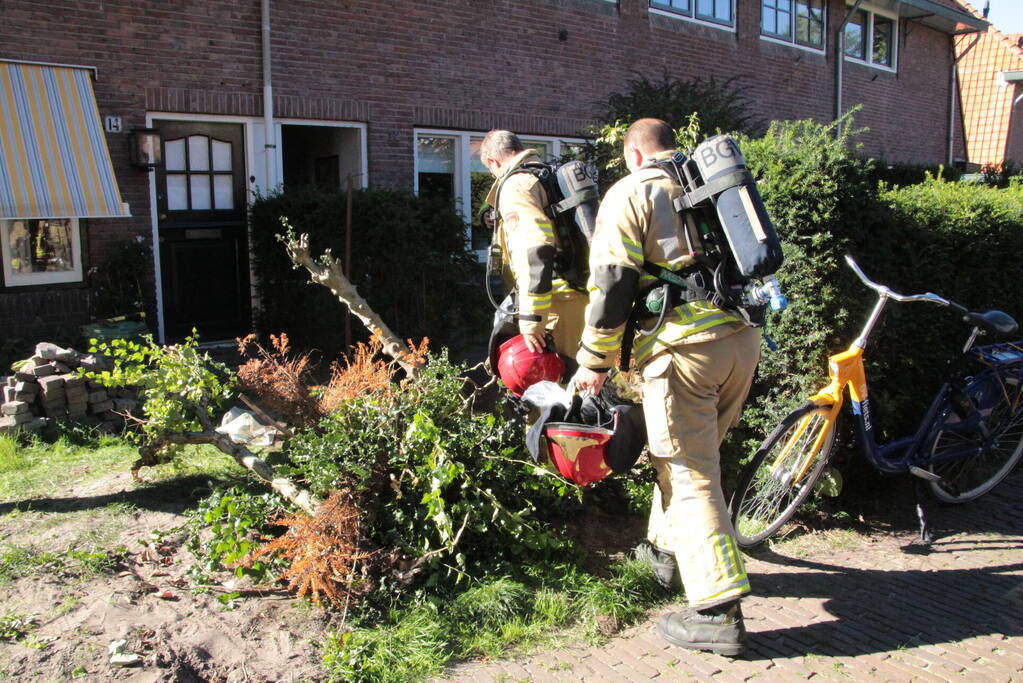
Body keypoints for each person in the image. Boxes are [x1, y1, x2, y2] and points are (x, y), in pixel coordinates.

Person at [571, 118, 761, 656]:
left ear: (633, 154)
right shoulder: (710, 183)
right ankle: (664, 555)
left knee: (690, 473)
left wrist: (595, 361)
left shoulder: (631, 191)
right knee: (684, 458)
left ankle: (718, 612)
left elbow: (610, 283)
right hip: (741, 341)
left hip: (685, 353)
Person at [480, 130, 588, 368]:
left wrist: (531, 319)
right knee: (577, 386)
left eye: (490, 170)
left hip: (553, 305)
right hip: (575, 295)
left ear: (492, 162)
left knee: (553, 389)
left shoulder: (515, 186)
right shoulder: (542, 176)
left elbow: (536, 247)